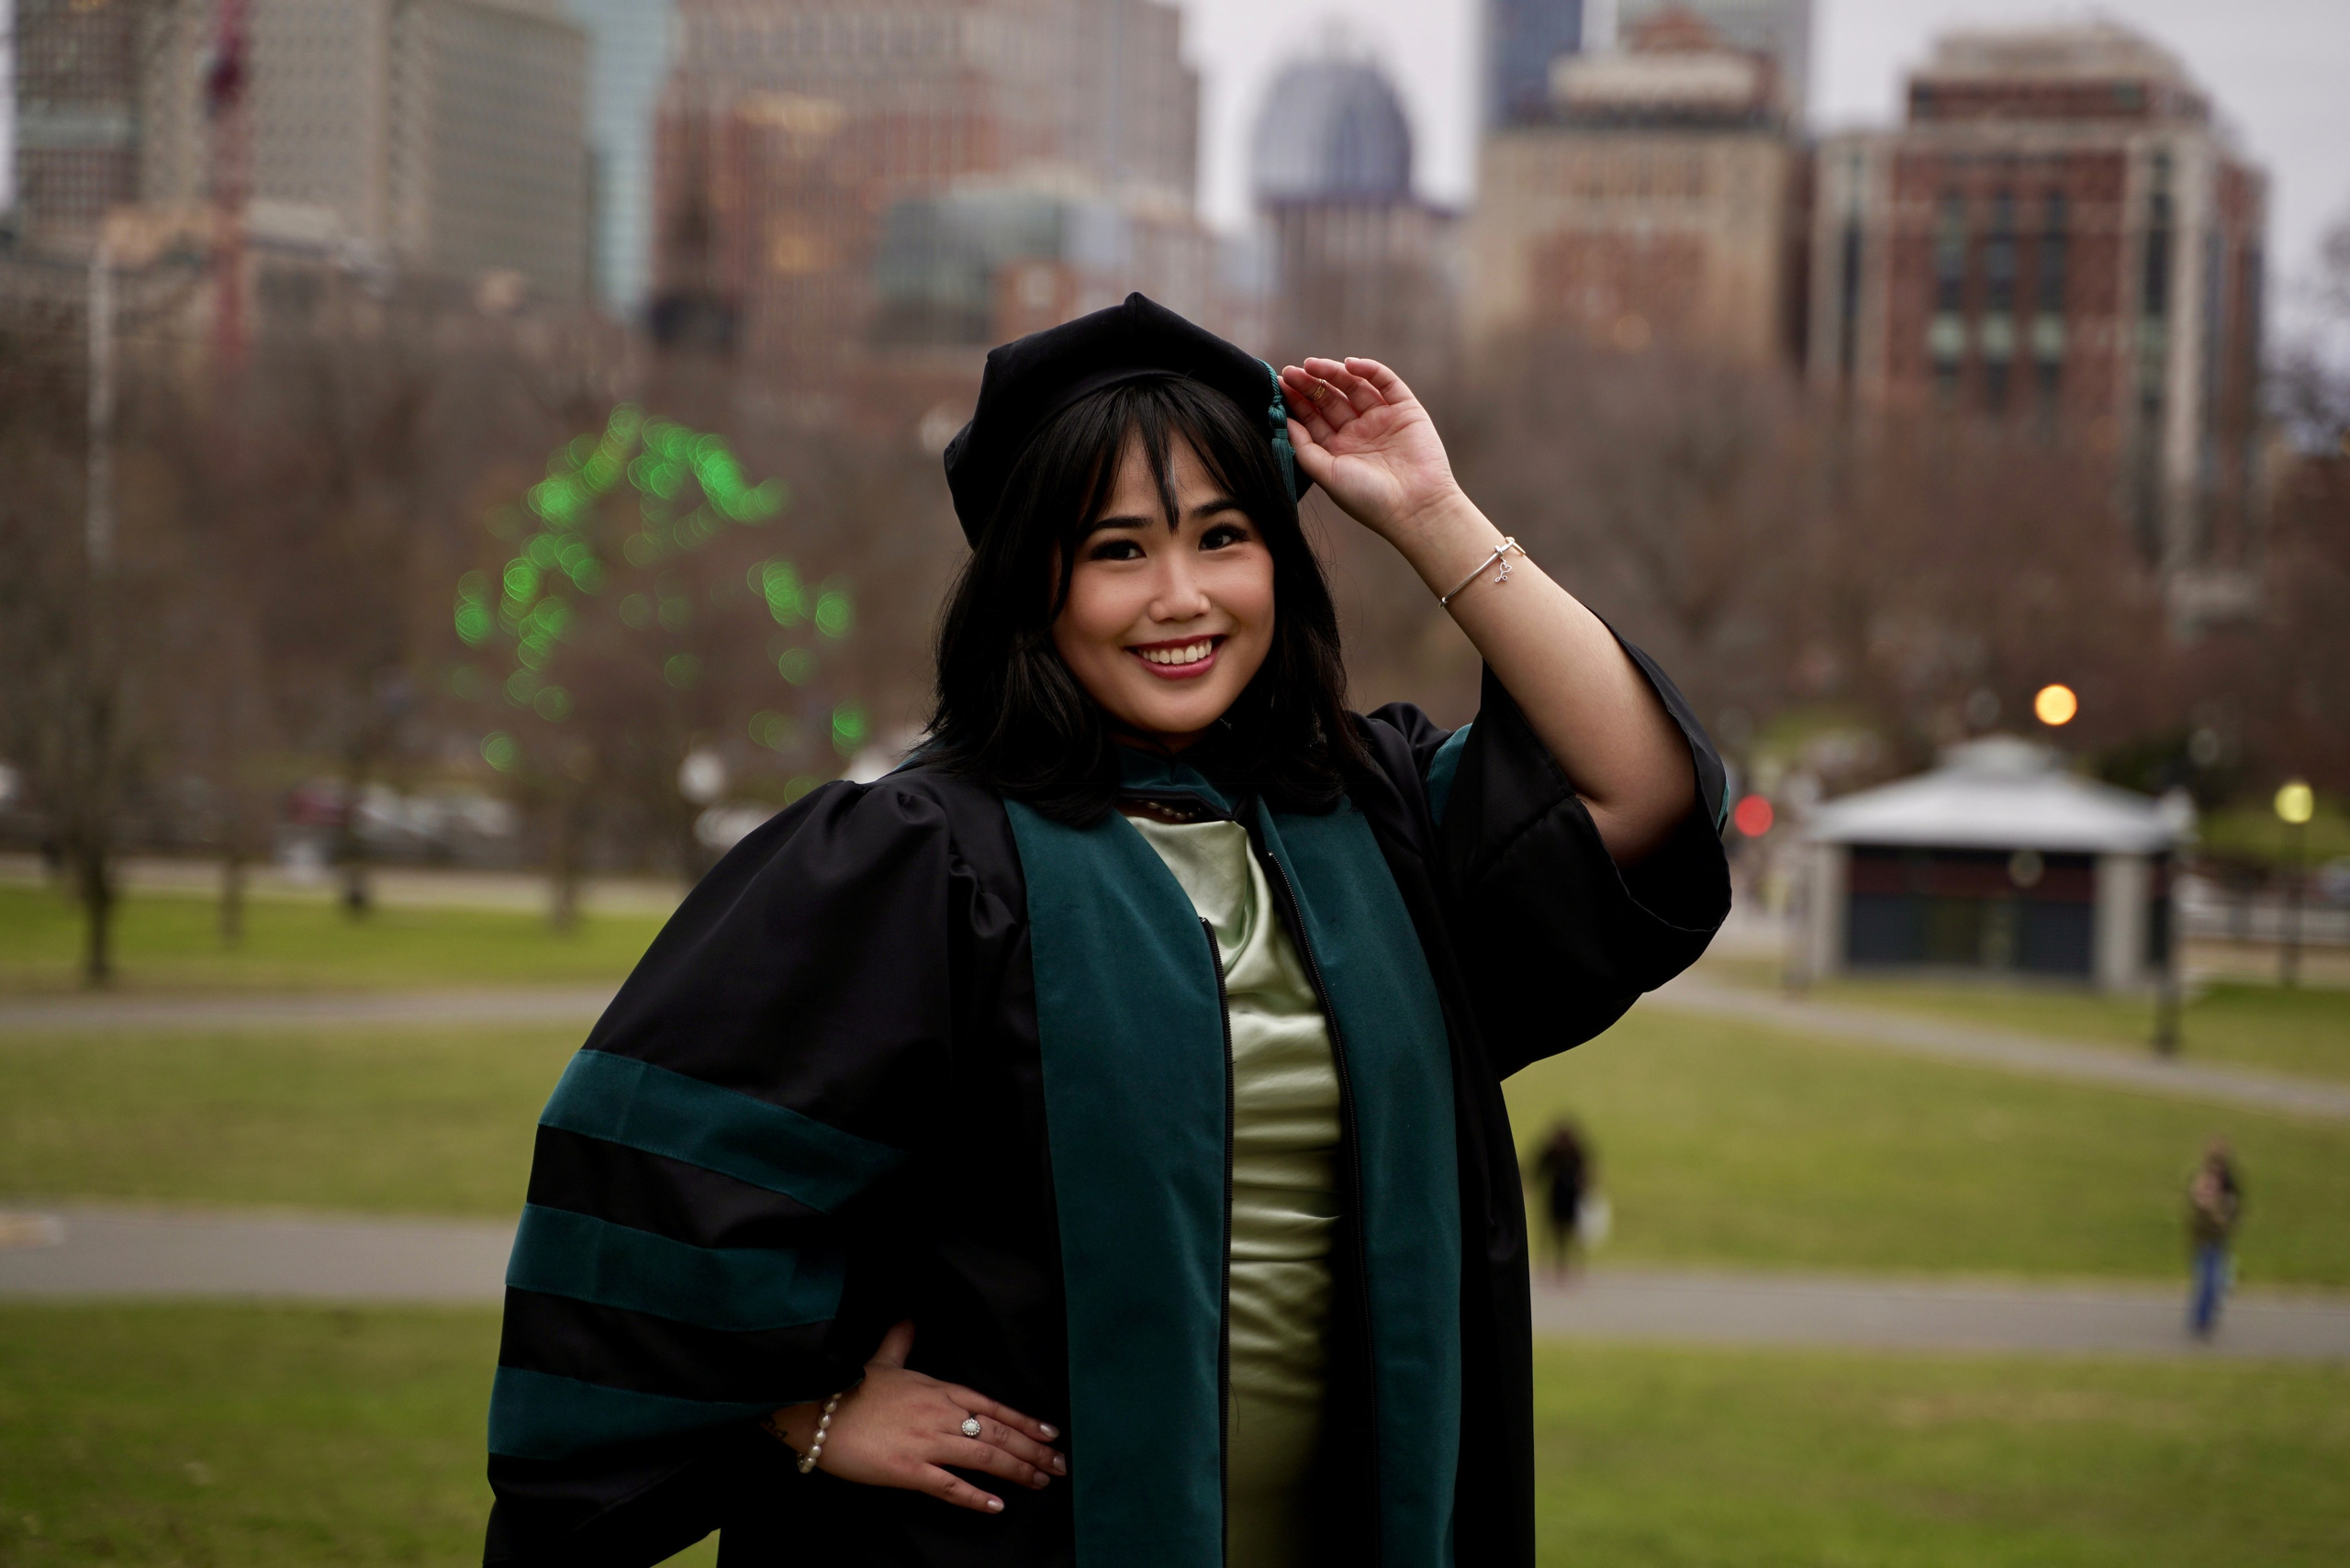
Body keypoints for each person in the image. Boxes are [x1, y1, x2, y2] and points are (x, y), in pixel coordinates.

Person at [482, 294, 1729, 1567]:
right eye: (1116, 550)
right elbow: (648, 1182)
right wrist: (800, 1417)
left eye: (1223, 537)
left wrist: (1429, 511)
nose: (1179, 598)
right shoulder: (921, 859)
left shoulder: (1371, 821)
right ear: (1034, 585)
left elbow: (1643, 791)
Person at [2187, 1137, 2244, 1338]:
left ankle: (2205, 1318)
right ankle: (2201, 1321)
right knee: (2208, 1282)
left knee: (2215, 1282)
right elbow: (2197, 1208)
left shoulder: (2229, 1184)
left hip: (2219, 1240)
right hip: (2204, 1240)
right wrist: (2210, 1210)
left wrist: (2225, 1216)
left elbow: (2235, 1207)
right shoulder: (2203, 1181)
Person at [1532, 1121, 1591, 1280]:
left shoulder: (1574, 1151)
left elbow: (1584, 1172)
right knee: (1555, 1232)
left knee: (1571, 1232)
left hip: (1571, 1197)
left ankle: (1571, 1266)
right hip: (1558, 1197)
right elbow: (1539, 1169)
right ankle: (1556, 1265)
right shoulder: (1555, 1152)